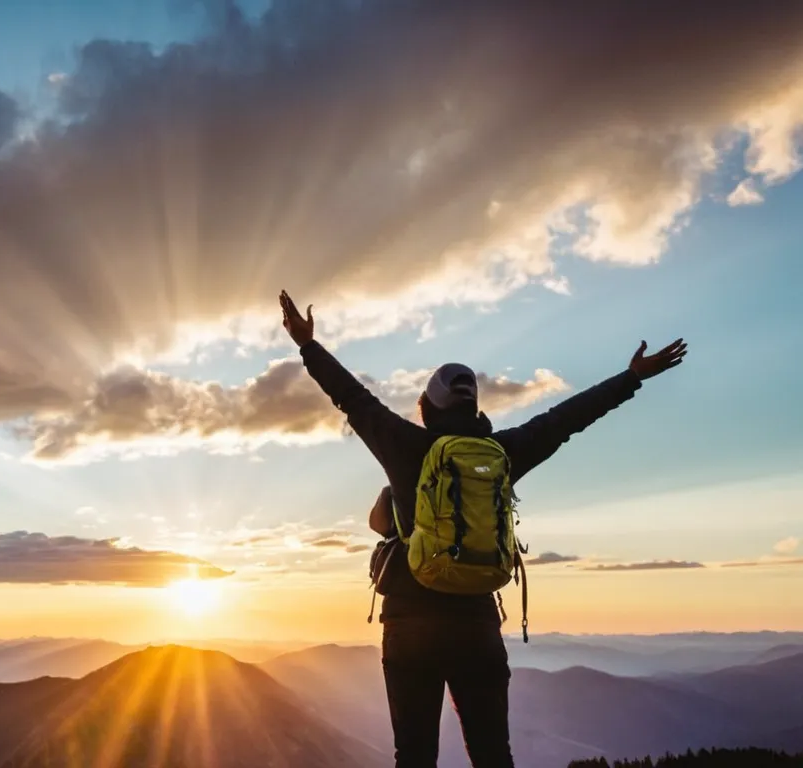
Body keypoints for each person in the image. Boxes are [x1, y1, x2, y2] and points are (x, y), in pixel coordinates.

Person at [278, 290, 687, 768]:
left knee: (413, 755)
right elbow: (565, 420)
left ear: (426, 409)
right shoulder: (504, 453)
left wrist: (307, 345)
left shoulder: (406, 446)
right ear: (473, 411)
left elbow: (351, 397)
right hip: (476, 624)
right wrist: (631, 378)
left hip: (410, 624)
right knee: (493, 754)